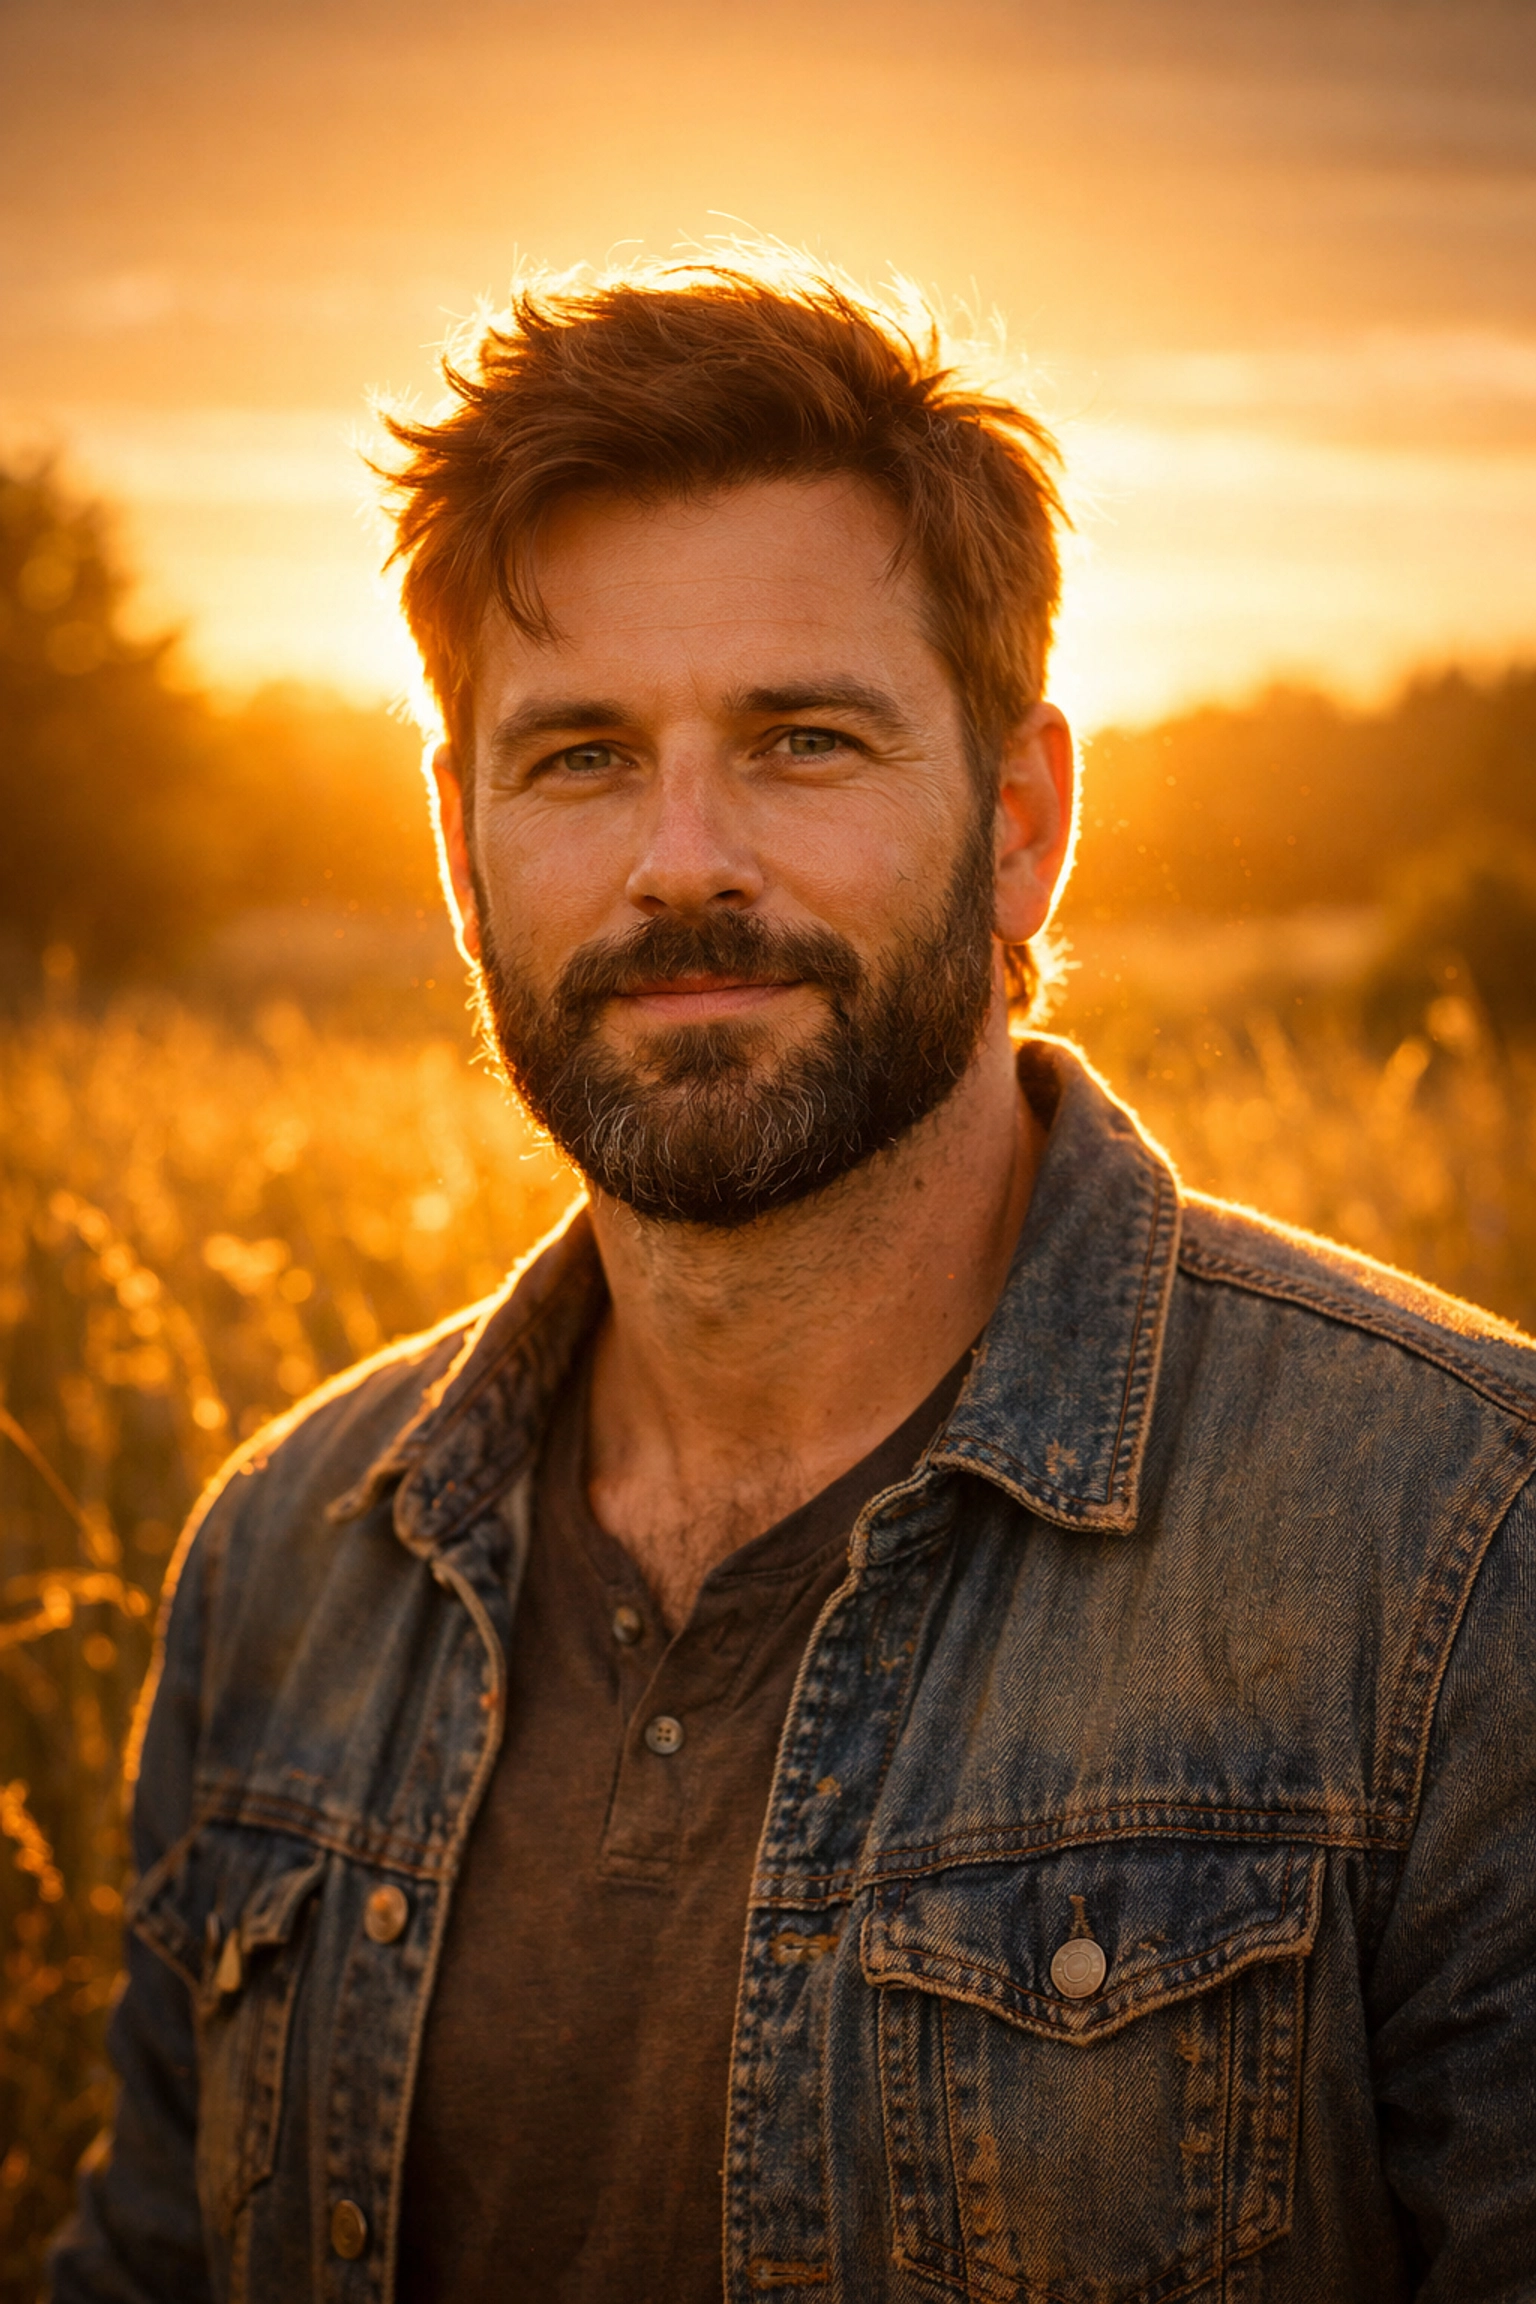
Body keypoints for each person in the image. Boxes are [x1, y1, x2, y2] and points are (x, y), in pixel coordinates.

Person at [51, 258, 1536, 2304]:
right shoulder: (286, 1567)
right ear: (464, 853)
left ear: (1020, 829)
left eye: (802, 740)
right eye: (577, 758)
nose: (681, 859)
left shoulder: (1456, 1549)